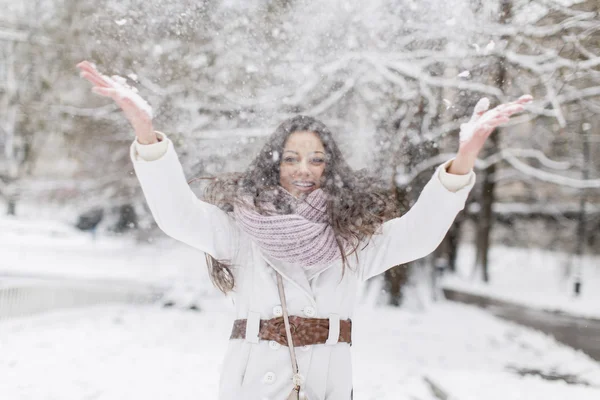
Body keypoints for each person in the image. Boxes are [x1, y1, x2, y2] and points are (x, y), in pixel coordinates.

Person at [77, 60, 532, 400]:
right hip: (253, 384)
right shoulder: (240, 229)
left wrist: (465, 156)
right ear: (273, 164)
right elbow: (177, 214)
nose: (303, 170)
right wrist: (145, 130)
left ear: (330, 167)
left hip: (327, 387)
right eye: (291, 158)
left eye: (316, 159)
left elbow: (419, 233)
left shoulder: (351, 240)